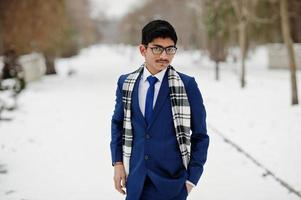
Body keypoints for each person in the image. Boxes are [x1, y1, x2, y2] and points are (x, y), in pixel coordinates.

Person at [110, 19, 209, 200]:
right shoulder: (126, 83)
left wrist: (190, 181)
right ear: (143, 50)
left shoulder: (187, 85)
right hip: (135, 183)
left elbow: (200, 136)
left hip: (172, 186)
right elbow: (118, 125)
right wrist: (117, 163)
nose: (164, 55)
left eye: (170, 49)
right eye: (157, 48)